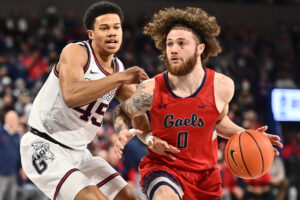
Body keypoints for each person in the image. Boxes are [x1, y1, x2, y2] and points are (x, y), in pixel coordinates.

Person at [113, 7, 283, 200]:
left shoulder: (222, 86)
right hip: (164, 168)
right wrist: (143, 137)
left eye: (181, 43)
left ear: (200, 48)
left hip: (205, 176)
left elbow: (217, 122)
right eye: (169, 44)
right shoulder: (151, 89)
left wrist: (247, 135)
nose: (173, 49)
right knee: (164, 196)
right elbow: (122, 112)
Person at [20, 1, 149, 200]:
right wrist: (120, 78)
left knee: (130, 197)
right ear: (91, 34)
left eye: (116, 27)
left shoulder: (119, 68)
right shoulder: (76, 52)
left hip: (81, 154)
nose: (112, 33)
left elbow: (139, 113)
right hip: (44, 144)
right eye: (104, 28)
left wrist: (152, 140)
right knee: (92, 197)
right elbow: (71, 96)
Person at [0, 110, 21, 200]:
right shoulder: (1, 133)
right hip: (1, 173)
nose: (14, 121)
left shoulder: (17, 135)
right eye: (12, 119)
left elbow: (18, 153)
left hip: (13, 173)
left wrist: (20, 167)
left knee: (11, 197)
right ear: (6, 120)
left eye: (16, 119)